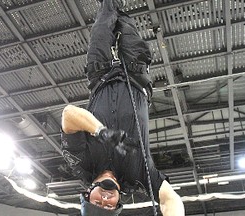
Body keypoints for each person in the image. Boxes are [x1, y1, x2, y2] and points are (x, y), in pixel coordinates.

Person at [60, 0, 185, 215]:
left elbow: (69, 115)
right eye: (109, 206)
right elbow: (168, 199)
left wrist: (100, 131)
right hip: (136, 75)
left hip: (100, 75)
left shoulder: (81, 164)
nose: (105, 199)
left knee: (103, 23)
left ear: (87, 194)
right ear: (118, 203)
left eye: (97, 203)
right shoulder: (139, 176)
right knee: (126, 24)